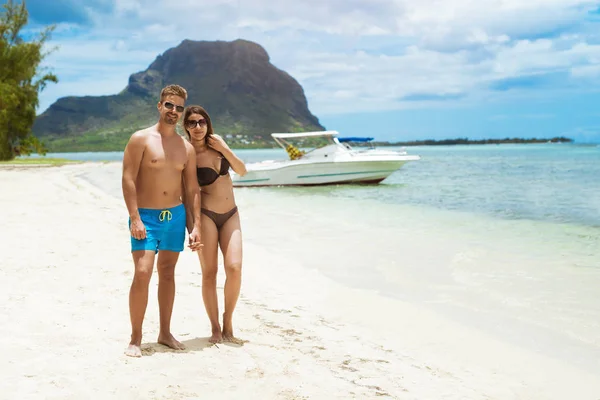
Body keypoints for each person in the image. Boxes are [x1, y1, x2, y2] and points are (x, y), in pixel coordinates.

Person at [121, 84, 203, 358]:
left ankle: (165, 332)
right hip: (146, 217)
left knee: (168, 273)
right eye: (169, 105)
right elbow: (128, 179)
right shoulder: (140, 139)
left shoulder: (186, 148)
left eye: (179, 108)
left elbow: (191, 189)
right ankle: (135, 337)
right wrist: (135, 218)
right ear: (160, 106)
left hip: (175, 216)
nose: (174, 111)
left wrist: (195, 226)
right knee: (143, 272)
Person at [182, 105, 247, 344]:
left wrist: (224, 148)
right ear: (186, 127)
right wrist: (193, 228)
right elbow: (188, 194)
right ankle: (215, 327)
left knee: (235, 268)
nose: (197, 127)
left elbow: (242, 170)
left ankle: (228, 319)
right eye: (192, 123)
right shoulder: (187, 153)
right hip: (206, 215)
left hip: (231, 214)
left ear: (208, 124)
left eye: (201, 122)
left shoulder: (217, 143)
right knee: (210, 273)